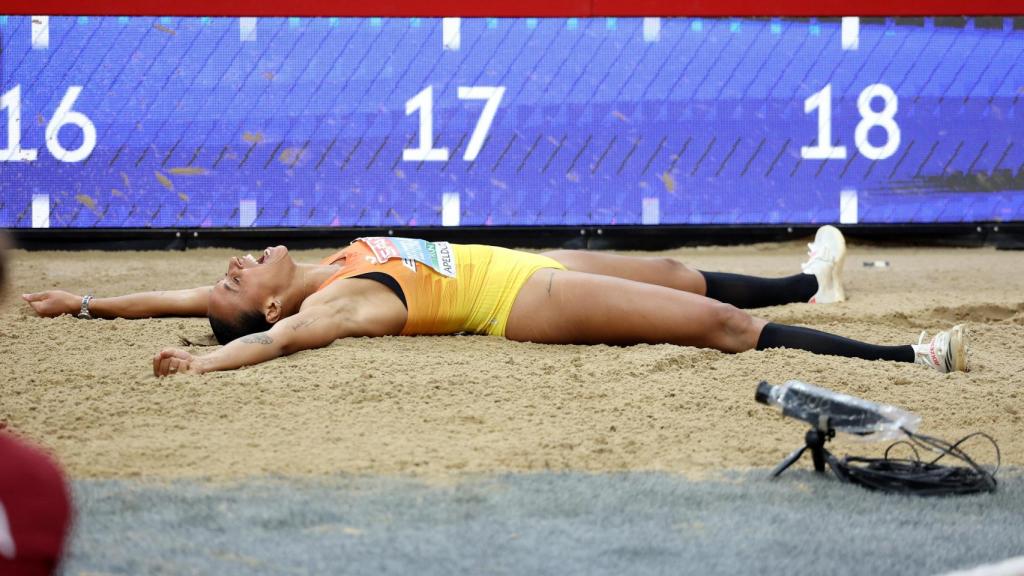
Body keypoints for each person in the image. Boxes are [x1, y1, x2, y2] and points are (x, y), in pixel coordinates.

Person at [21, 226, 967, 377]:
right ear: (266, 307)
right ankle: (909, 359)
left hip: (502, 257)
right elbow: (270, 340)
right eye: (236, 282)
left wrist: (89, 301)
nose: (230, 266)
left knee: (679, 274)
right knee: (719, 325)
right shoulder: (335, 306)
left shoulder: (320, 264)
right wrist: (204, 358)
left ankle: (817, 281)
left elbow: (187, 293)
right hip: (522, 300)